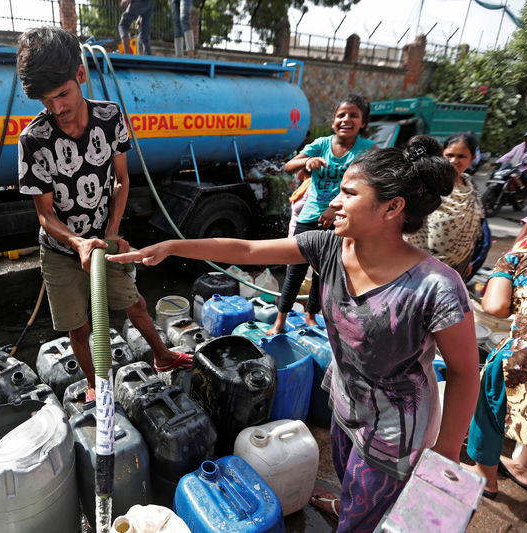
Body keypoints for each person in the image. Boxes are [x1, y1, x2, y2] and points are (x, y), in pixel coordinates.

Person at [108, 136, 479, 532]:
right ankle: (350, 504)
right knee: (349, 481)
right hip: (344, 403)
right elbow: (249, 251)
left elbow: (463, 372)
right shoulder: (329, 246)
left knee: (361, 519)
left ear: (393, 207)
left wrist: (445, 455)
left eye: (349, 193)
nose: (334, 201)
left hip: (394, 431)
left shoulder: (436, 286)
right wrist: (173, 246)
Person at [15, 26, 191, 401]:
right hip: (62, 251)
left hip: (104, 240)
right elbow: (45, 215)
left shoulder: (109, 117)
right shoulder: (32, 140)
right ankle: (96, 384)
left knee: (136, 304)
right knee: (79, 329)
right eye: (47, 101)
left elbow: (122, 180)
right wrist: (78, 244)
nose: (57, 108)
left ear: (81, 76)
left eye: (62, 94)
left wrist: (110, 233)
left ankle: (162, 356)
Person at [268, 94, 375, 335]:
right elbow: (288, 166)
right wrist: (308, 161)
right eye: (341, 115)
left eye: (353, 115)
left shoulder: (367, 150)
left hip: (342, 219)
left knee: (325, 272)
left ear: (363, 122)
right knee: (294, 271)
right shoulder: (321, 144)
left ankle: (310, 315)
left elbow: (368, 187)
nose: (346, 119)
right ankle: (280, 319)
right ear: (333, 120)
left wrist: (335, 209)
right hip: (309, 217)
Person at [465, 231, 527, 499]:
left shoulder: (517, 256)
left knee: (491, 406)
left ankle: (485, 479)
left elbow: (495, 306)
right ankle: (524, 469)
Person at [405, 132, 484, 280]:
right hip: (420, 261)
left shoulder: (471, 186)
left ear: (472, 158)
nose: (454, 161)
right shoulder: (430, 182)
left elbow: (473, 227)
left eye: (462, 156)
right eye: (450, 155)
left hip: (459, 261)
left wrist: (467, 259)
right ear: (442, 155)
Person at [496, 130, 527, 195]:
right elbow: (510, 154)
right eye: (526, 137)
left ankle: (524, 194)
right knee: (504, 175)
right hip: (516, 165)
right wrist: (498, 161)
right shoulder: (520, 146)